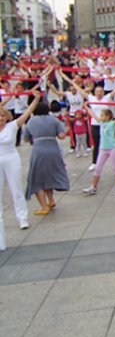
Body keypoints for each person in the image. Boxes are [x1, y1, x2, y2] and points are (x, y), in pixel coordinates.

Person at [0, 91, 41, 246]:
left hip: (11, 159)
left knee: (16, 189)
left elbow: (28, 112)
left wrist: (36, 99)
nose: (0, 119)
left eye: (3, 116)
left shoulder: (12, 126)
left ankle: (22, 218)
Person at [24, 101, 70, 216]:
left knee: (37, 178)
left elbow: (26, 139)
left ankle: (44, 206)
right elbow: (62, 136)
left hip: (38, 150)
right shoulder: (54, 120)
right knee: (49, 175)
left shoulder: (31, 121)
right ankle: (51, 200)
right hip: (53, 149)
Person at [82, 105, 115, 194]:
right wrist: (87, 108)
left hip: (112, 148)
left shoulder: (112, 123)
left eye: (102, 115)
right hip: (103, 148)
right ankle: (93, 187)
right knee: (98, 167)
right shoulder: (101, 123)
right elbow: (93, 115)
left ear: (107, 116)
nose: (100, 117)